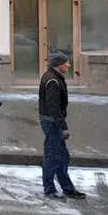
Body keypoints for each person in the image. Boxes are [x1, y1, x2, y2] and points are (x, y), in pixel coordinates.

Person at [39, 51, 86, 200]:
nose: (69, 65)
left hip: (53, 121)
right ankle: (49, 190)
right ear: (59, 65)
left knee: (62, 156)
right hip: (52, 122)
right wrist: (63, 126)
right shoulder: (52, 81)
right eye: (66, 62)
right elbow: (53, 107)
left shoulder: (54, 77)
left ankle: (67, 188)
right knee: (52, 156)